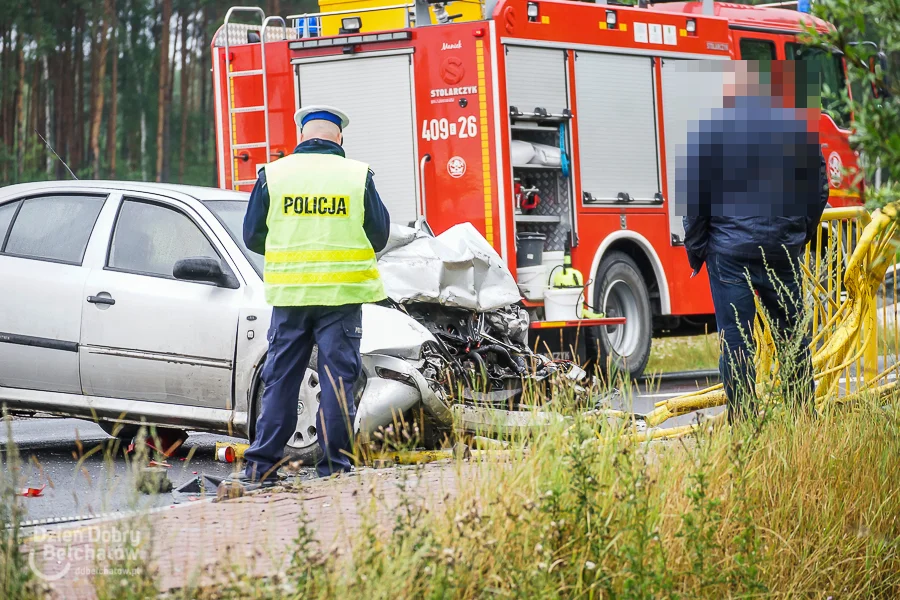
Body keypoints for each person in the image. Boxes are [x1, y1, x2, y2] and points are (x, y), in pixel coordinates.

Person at [227, 105, 391, 488]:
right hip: (341, 297)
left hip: (291, 296)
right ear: (339, 139)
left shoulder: (274, 175)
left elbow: (253, 236)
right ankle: (335, 472)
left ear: (300, 137)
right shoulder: (357, 176)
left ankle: (261, 466)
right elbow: (379, 236)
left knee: (282, 379)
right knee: (337, 384)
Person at [681, 60, 829, 421]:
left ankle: (744, 424)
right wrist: (798, 236)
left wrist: (698, 251)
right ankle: (802, 420)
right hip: (782, 252)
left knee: (735, 341)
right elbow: (819, 191)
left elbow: (695, 204)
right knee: (793, 340)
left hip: (729, 253)